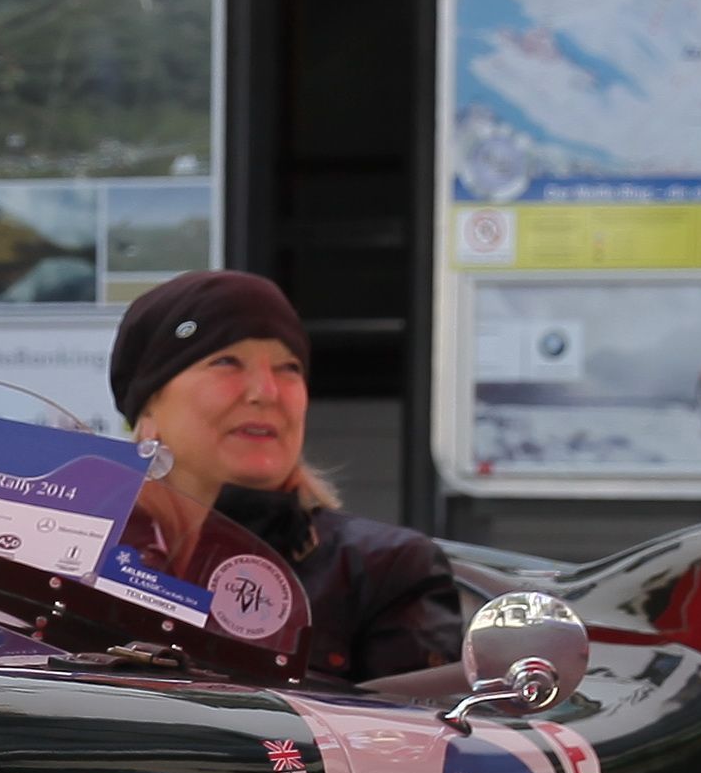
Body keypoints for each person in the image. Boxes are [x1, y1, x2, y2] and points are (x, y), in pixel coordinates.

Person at [110, 270, 462, 686]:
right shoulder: (77, 554)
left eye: (288, 368)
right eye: (226, 362)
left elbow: (414, 739)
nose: (266, 391)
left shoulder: (385, 569)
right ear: (148, 409)